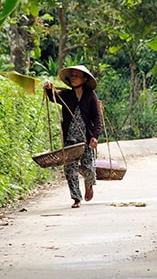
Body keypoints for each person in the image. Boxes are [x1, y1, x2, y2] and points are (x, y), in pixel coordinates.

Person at [43, 65, 102, 208]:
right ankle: (76, 198)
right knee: (70, 168)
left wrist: (94, 136)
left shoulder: (90, 96)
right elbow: (53, 97)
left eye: (76, 76)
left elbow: (97, 117)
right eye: (72, 76)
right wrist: (48, 89)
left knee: (88, 168)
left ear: (84, 79)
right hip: (70, 138)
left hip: (86, 138)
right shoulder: (67, 95)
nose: (73, 78)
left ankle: (89, 185)